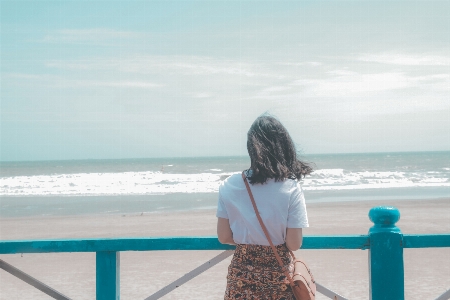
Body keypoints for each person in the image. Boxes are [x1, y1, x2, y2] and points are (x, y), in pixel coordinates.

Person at [216, 115, 313, 300]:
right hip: (279, 282)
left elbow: (224, 236)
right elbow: (294, 243)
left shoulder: (229, 185)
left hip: (240, 280)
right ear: (284, 147)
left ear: (251, 148)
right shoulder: (290, 187)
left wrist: (251, 241)